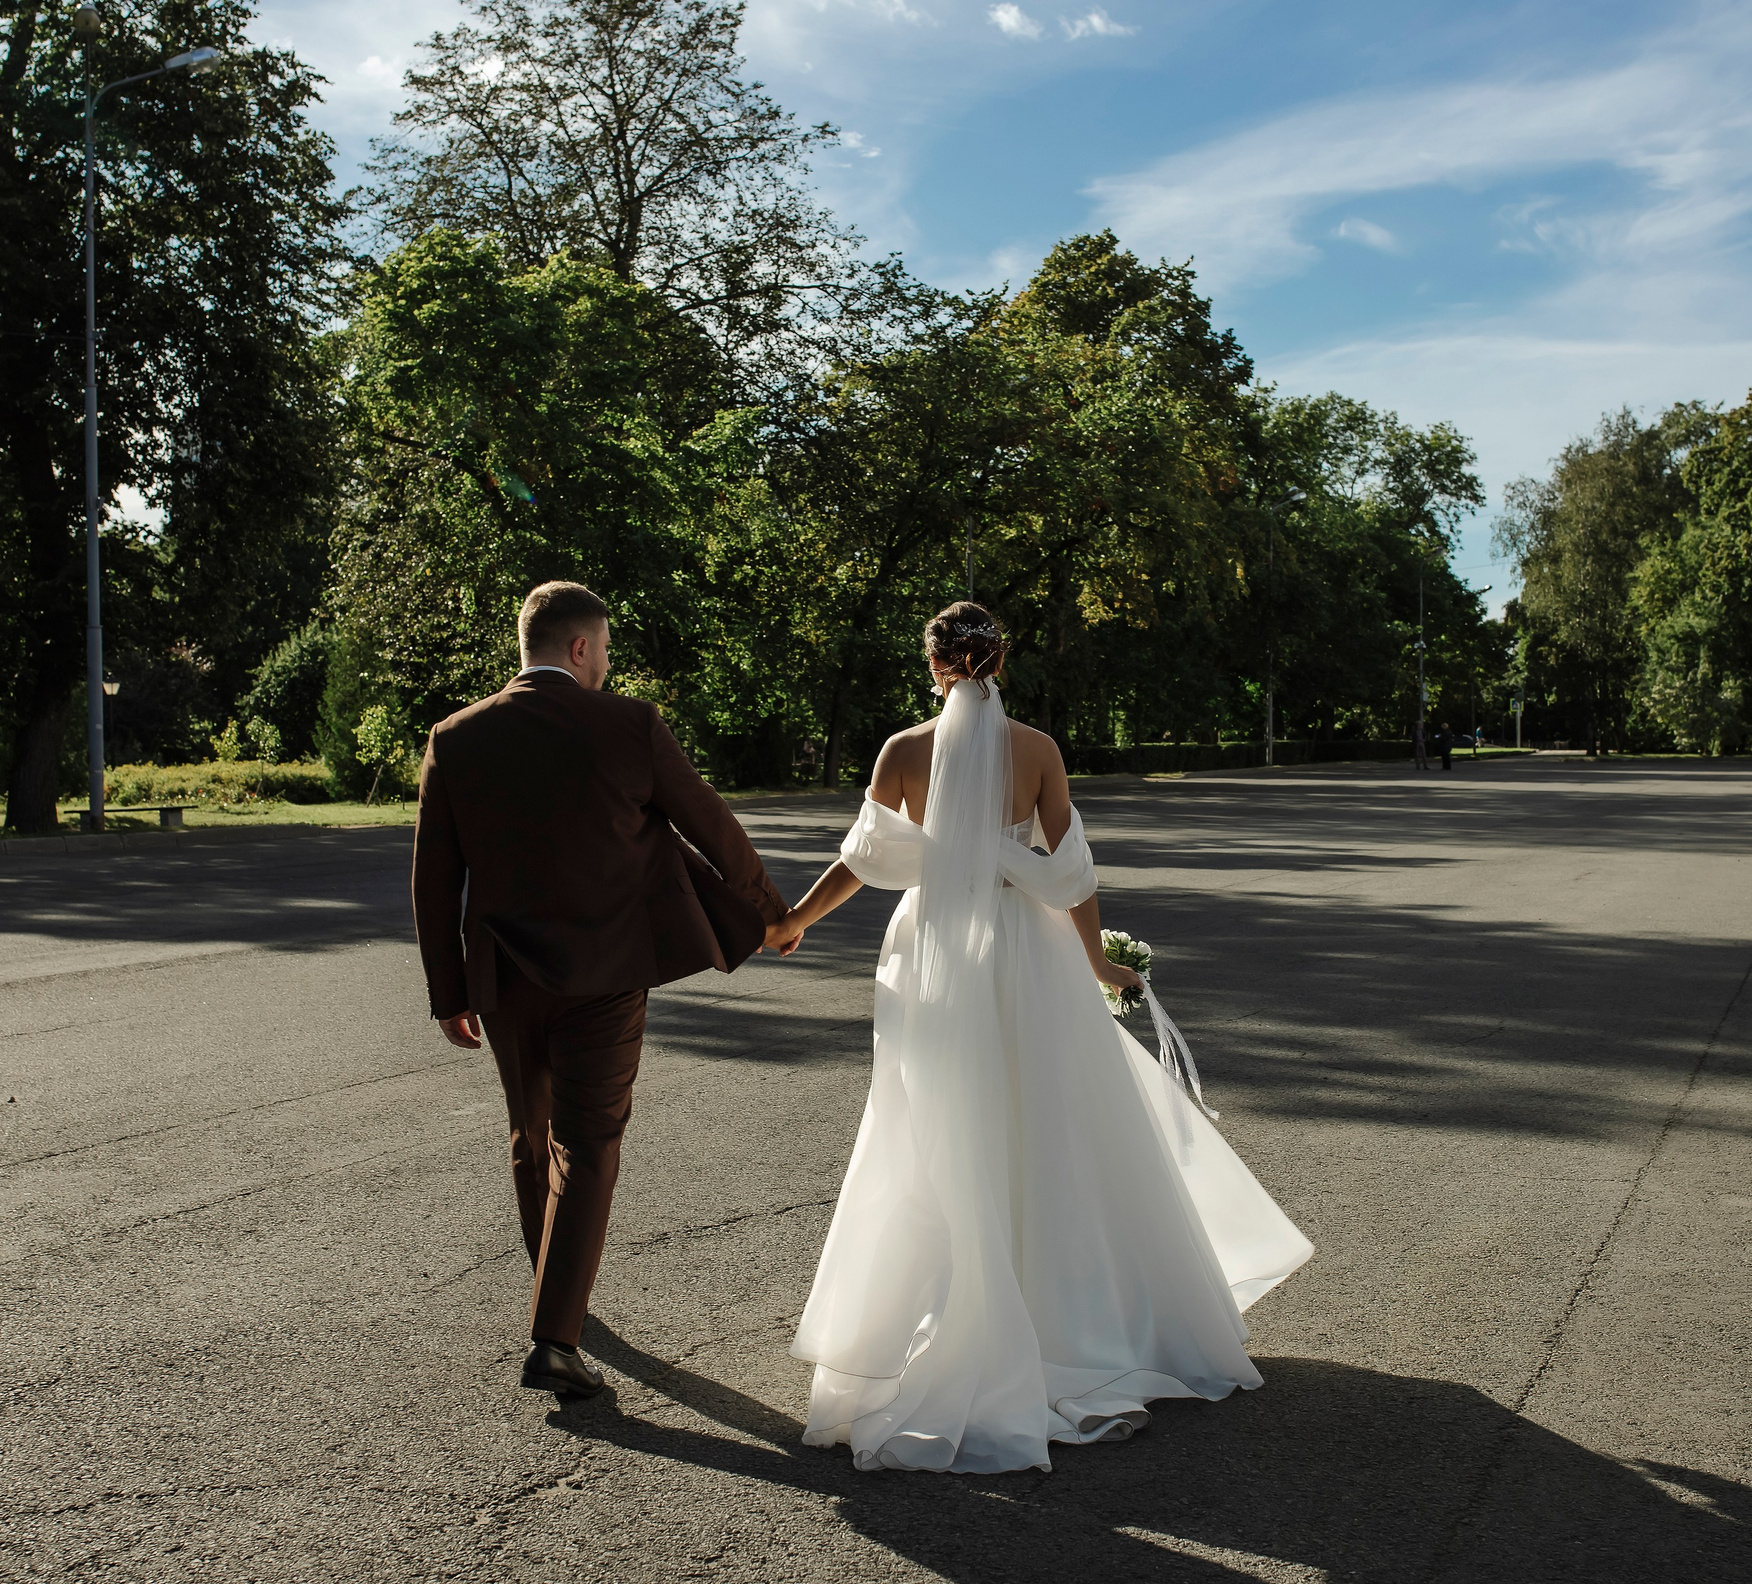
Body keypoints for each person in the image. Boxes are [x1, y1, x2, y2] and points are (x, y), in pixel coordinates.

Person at [764, 603, 1313, 1472]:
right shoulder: (1038, 752)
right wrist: (1097, 962)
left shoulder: (903, 752)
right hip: (1026, 953)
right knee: (1047, 1124)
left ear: (934, 664)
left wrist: (793, 919)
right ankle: (1072, 1319)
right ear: (1001, 661)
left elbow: (861, 863)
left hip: (935, 954)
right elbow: (1069, 871)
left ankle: (931, 1318)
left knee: (933, 1128)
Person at [413, 581, 790, 1401]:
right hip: (608, 974)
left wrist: (450, 992)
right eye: (607, 648)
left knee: (530, 1129)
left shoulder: (455, 737)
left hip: (505, 979)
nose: (609, 663)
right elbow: (709, 823)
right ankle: (555, 1336)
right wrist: (770, 914)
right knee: (589, 1144)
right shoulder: (629, 725)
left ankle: (553, 1280)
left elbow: (435, 881)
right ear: (580, 647)